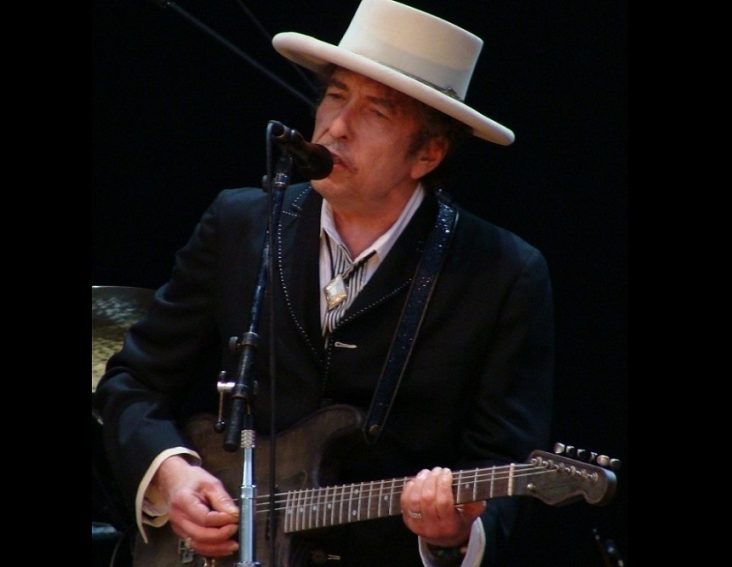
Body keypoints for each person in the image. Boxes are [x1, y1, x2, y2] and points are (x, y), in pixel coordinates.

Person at [94, 0, 554, 565]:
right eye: (336, 96)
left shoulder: (502, 273)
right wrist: (170, 473)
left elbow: (504, 468)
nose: (337, 126)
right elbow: (132, 382)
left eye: (376, 112)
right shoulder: (240, 224)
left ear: (429, 153)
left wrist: (453, 536)